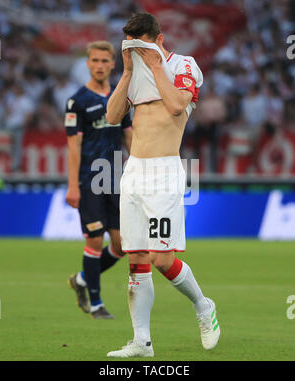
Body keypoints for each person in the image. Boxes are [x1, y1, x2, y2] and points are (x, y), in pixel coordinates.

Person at [106, 13, 220, 357]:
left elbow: (175, 106)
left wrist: (155, 65)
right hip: (134, 170)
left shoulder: (183, 64)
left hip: (165, 171)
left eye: (140, 44)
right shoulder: (134, 73)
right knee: (137, 257)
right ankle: (142, 341)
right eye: (130, 46)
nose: (136, 52)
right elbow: (112, 117)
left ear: (157, 38)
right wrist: (127, 71)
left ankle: (203, 305)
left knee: (161, 257)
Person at [65, 41, 132, 319]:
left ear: (112, 64)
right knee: (94, 240)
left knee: (121, 246)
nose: (100, 65)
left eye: (105, 61)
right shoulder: (77, 101)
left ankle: (81, 278)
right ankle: (95, 303)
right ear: (88, 64)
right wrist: (72, 185)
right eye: (95, 60)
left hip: (116, 180)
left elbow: (129, 137)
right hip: (90, 180)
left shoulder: (120, 97)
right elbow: (73, 146)